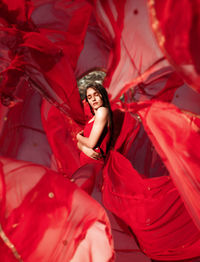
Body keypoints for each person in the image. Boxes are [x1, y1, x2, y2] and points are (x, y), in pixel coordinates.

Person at [76, 83, 112, 166]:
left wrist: (78, 136)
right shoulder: (93, 118)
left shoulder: (102, 111)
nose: (93, 99)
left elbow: (91, 143)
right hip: (87, 165)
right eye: (89, 97)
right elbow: (79, 144)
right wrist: (84, 149)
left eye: (96, 95)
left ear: (102, 95)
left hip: (96, 164)